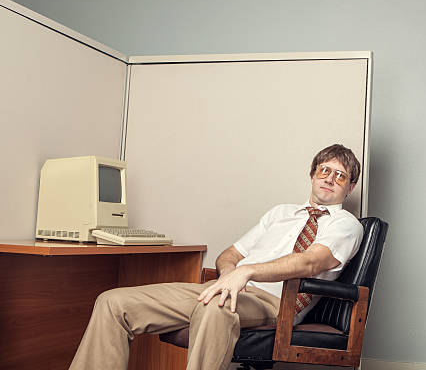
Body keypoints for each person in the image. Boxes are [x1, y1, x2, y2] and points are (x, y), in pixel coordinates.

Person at [69, 144, 364, 370]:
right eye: (324, 170)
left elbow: (311, 261)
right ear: (313, 174)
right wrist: (228, 273)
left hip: (275, 303)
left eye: (340, 176)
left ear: (349, 187)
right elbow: (231, 254)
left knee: (216, 308)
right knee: (113, 302)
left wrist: (246, 273)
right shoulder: (280, 213)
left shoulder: (346, 225)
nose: (330, 179)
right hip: (225, 288)